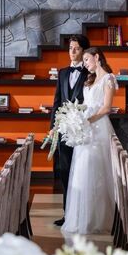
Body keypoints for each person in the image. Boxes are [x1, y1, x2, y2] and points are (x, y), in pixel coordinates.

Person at [61, 47, 117, 235]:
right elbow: (86, 104)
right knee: (82, 171)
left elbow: (107, 107)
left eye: (86, 59)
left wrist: (87, 120)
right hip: (85, 129)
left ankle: (100, 219)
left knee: (98, 171)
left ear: (97, 57)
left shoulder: (109, 79)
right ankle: (82, 218)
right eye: (83, 61)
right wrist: (76, 118)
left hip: (99, 128)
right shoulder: (90, 79)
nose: (84, 63)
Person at [49, 34, 90, 227]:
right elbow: (57, 102)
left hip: (84, 131)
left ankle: (83, 213)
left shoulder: (90, 73)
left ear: (84, 51)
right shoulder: (62, 73)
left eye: (76, 48)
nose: (72, 51)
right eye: (70, 48)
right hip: (64, 130)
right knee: (65, 171)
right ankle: (68, 214)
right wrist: (53, 127)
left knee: (82, 172)